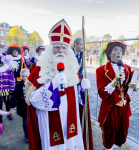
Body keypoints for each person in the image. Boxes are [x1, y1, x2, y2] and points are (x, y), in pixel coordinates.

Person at [25, 19, 94, 150]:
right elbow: (32, 100)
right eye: (57, 46)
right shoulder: (38, 71)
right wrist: (53, 84)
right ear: (51, 49)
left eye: (64, 47)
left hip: (71, 120)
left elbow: (79, 101)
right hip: (49, 119)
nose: (60, 50)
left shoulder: (73, 71)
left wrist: (82, 89)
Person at [96, 41, 139, 150]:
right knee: (109, 134)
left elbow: (130, 88)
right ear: (109, 53)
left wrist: (136, 86)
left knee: (121, 133)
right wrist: (115, 80)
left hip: (124, 108)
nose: (118, 53)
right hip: (110, 109)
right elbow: (102, 93)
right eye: (115, 50)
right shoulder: (100, 70)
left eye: (120, 50)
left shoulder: (128, 69)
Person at [10, 68, 30, 143]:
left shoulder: (32, 83)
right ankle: (26, 134)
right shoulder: (18, 85)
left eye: (26, 76)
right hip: (23, 105)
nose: (24, 78)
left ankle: (33, 133)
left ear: (29, 75)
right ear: (21, 76)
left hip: (32, 106)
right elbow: (14, 97)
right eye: (23, 76)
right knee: (25, 121)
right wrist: (12, 107)